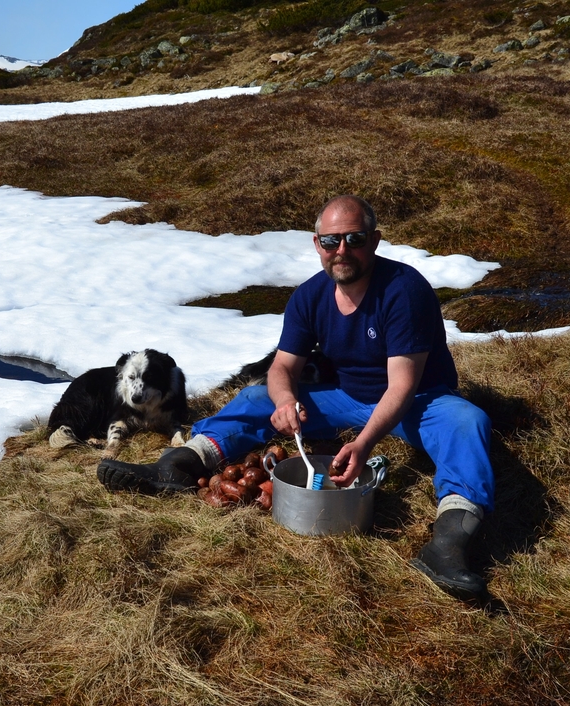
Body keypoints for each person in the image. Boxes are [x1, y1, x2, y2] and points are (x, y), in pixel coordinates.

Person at [97, 195, 495, 600]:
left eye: (354, 239)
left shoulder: (403, 291)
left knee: (467, 423)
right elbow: (282, 369)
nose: (342, 251)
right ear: (316, 243)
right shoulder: (310, 296)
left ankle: (448, 545)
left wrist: (364, 442)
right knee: (256, 400)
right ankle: (179, 466)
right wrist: (286, 402)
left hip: (418, 401)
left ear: (375, 241)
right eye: (330, 241)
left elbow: (402, 386)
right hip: (345, 396)